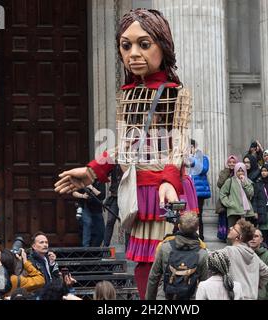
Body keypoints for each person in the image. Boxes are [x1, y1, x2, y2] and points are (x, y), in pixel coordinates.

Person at [54, 9, 198, 298]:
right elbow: (128, 146)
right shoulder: (127, 94)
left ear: (163, 44)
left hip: (164, 189)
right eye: (125, 45)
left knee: (174, 257)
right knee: (144, 263)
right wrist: (95, 169)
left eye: (144, 44)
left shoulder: (176, 92)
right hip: (139, 189)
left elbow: (179, 141)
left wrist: (169, 180)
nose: (133, 53)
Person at [145, 212, 208, 300]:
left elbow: (153, 277)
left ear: (178, 226)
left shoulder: (165, 248)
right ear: (197, 228)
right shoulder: (202, 254)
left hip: (165, 296)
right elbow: (205, 282)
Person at [215, 218, 268, 300]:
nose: (230, 228)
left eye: (234, 228)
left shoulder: (229, 251)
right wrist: (254, 286)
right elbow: (267, 273)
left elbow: (211, 258)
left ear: (239, 237)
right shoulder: (253, 255)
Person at [188, 139, 211, 240]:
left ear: (194, 147)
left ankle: (199, 237)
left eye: (189, 148)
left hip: (198, 192)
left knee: (198, 215)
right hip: (186, 192)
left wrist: (192, 160)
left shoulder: (202, 158)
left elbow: (203, 169)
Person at [219, 162, 255, 228]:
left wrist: (244, 183)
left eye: (242, 171)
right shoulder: (230, 181)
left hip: (247, 213)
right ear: (235, 171)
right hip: (234, 212)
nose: (240, 173)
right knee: (233, 232)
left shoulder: (249, 182)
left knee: (245, 233)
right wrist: (230, 204)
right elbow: (222, 194)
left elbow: (251, 194)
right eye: (238, 171)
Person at [248, 229, 268, 300]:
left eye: (256, 236)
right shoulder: (242, 254)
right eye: (250, 236)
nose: (253, 238)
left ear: (261, 239)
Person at [73, 182, 106, 247]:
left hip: (97, 208)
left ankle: (94, 248)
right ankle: (86, 248)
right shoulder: (83, 180)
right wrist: (83, 196)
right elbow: (74, 192)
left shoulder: (100, 182)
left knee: (101, 231)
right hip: (85, 206)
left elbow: (102, 196)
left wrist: (92, 188)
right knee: (87, 223)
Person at [103, 165, 125, 248]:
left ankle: (129, 249)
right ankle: (105, 246)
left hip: (126, 196)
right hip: (115, 196)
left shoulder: (129, 160)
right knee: (110, 220)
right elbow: (105, 173)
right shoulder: (112, 163)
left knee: (127, 222)